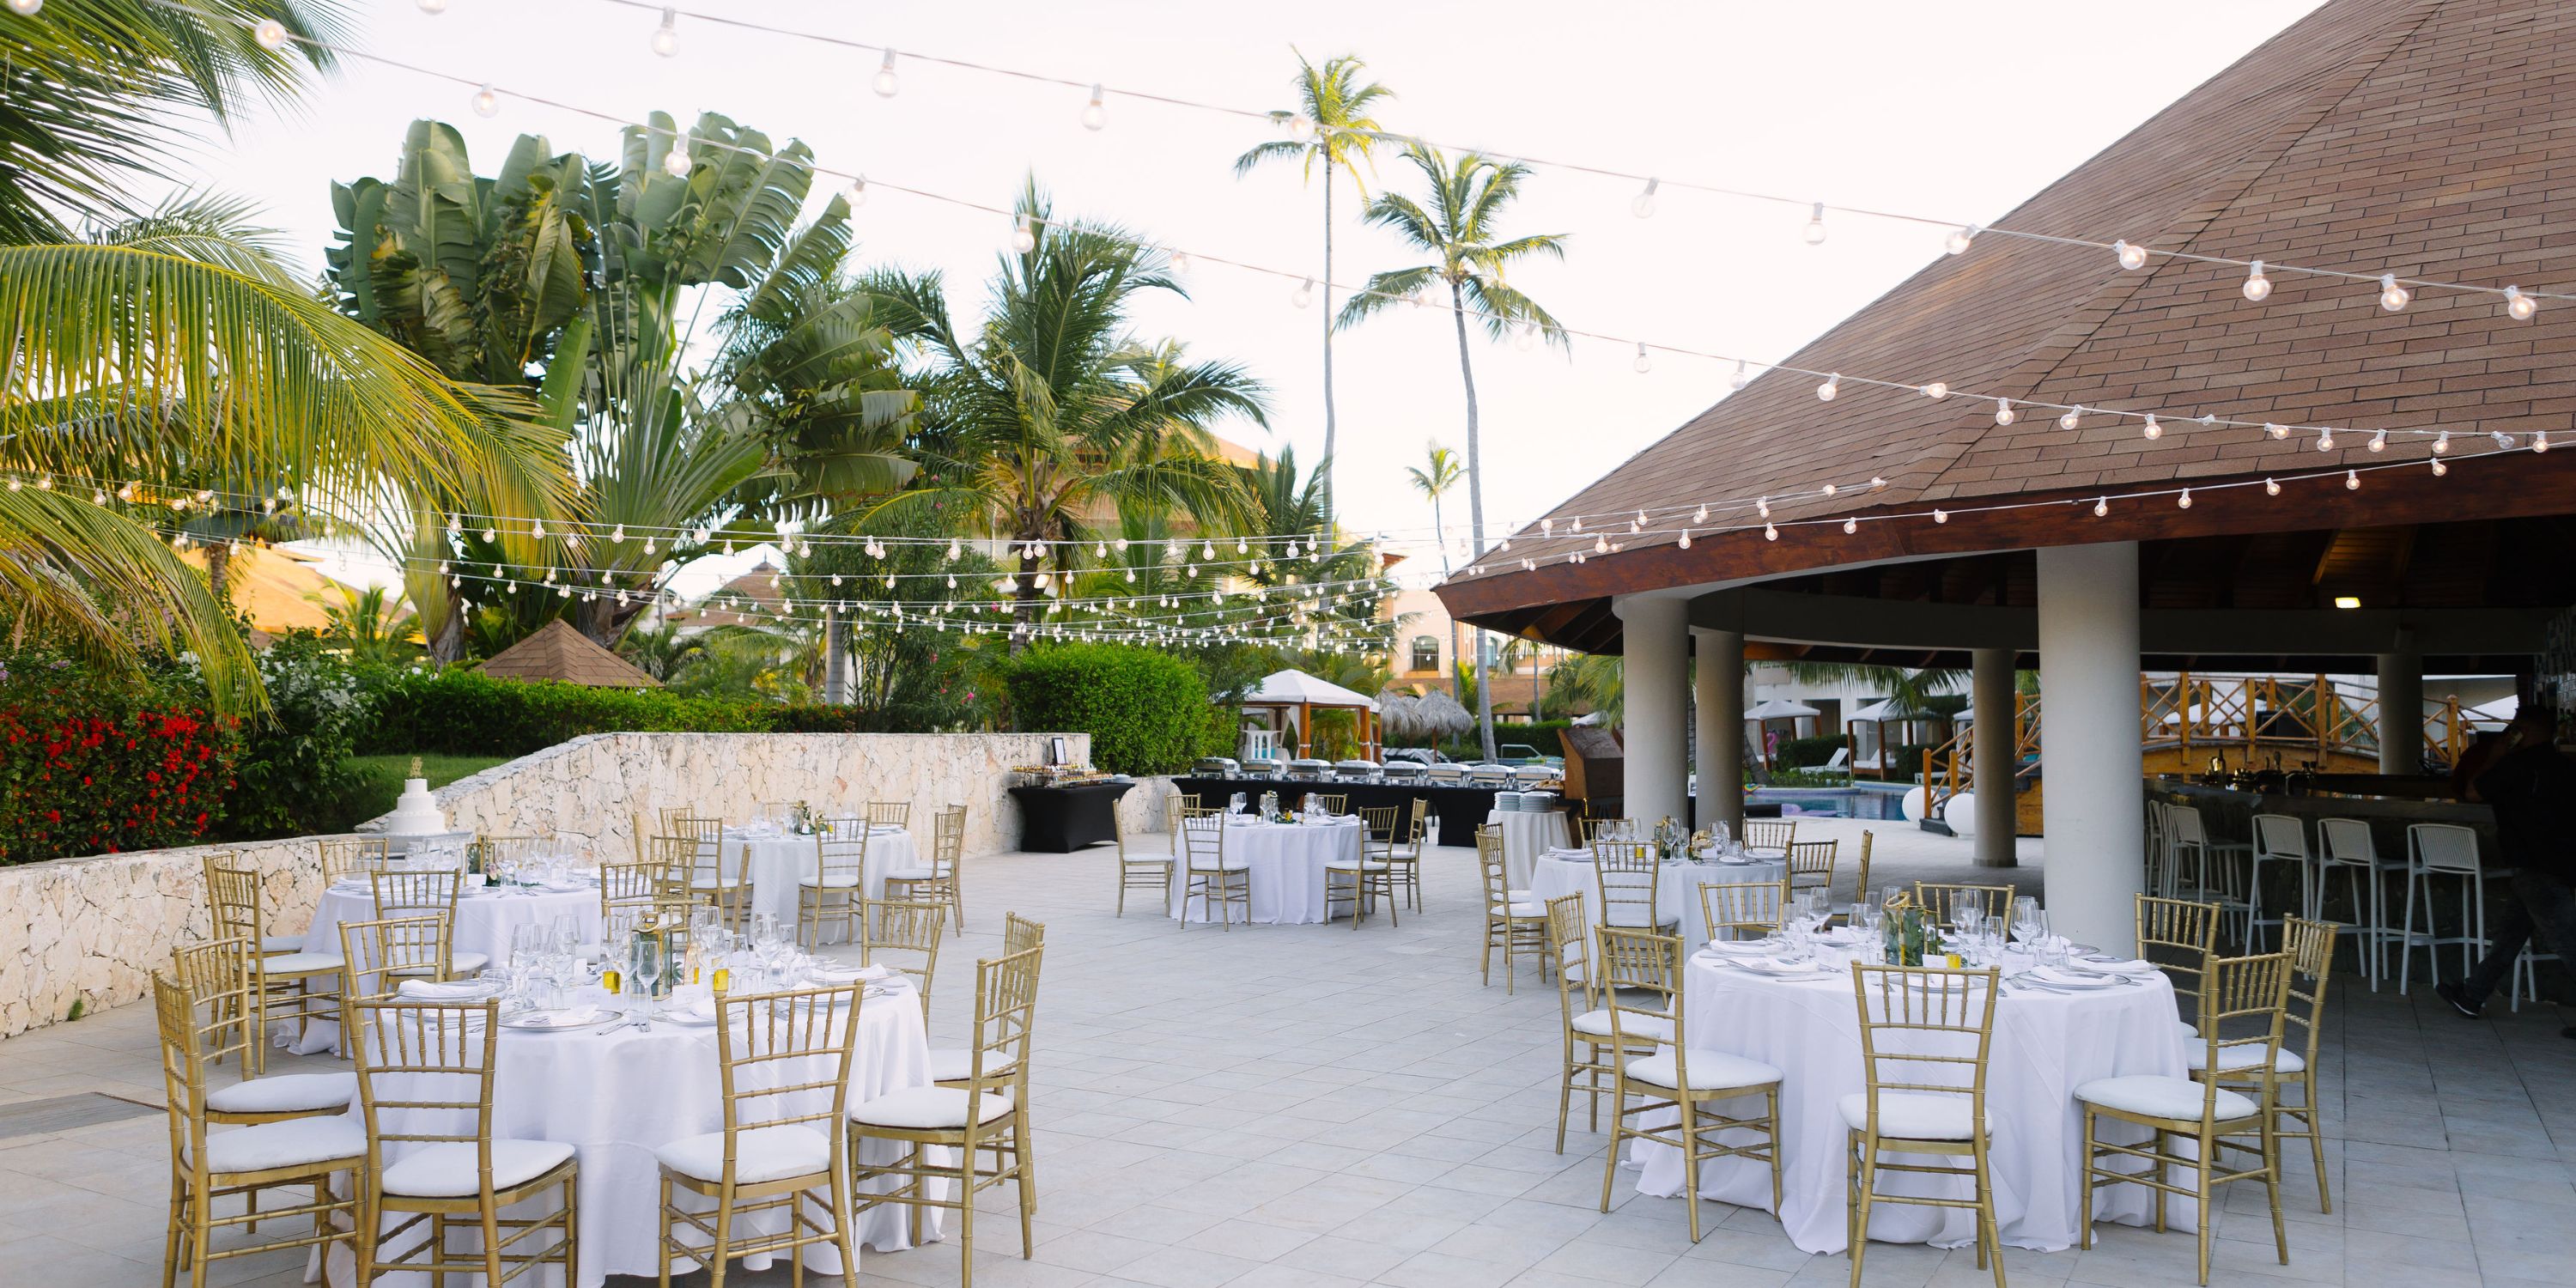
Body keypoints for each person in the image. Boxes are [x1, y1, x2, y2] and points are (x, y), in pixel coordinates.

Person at [2436, 708, 2576, 1036]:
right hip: (2558, 863)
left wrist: (2494, 756)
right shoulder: (2565, 767)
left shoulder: (2515, 765)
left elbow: (2472, 792)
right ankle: (2472, 995)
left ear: (2522, 730)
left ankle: (2472, 995)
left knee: (2568, 942)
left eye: (2514, 728)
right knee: (2510, 935)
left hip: (2534, 864)